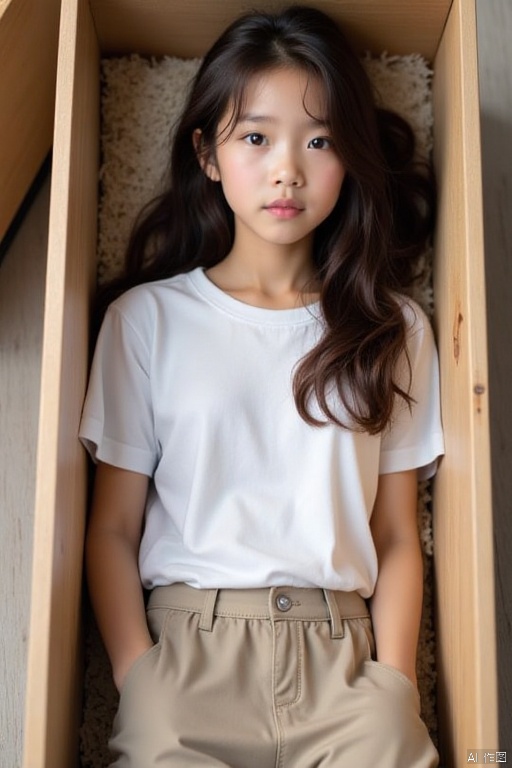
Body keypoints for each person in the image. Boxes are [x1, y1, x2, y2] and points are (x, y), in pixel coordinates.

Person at [79, 5, 444, 767]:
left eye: (320, 140)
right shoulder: (146, 320)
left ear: (350, 160)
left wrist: (396, 682)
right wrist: (138, 677)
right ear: (207, 154)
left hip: (345, 666)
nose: (288, 168)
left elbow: (398, 536)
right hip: (188, 661)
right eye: (256, 137)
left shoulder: (393, 326)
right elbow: (112, 527)